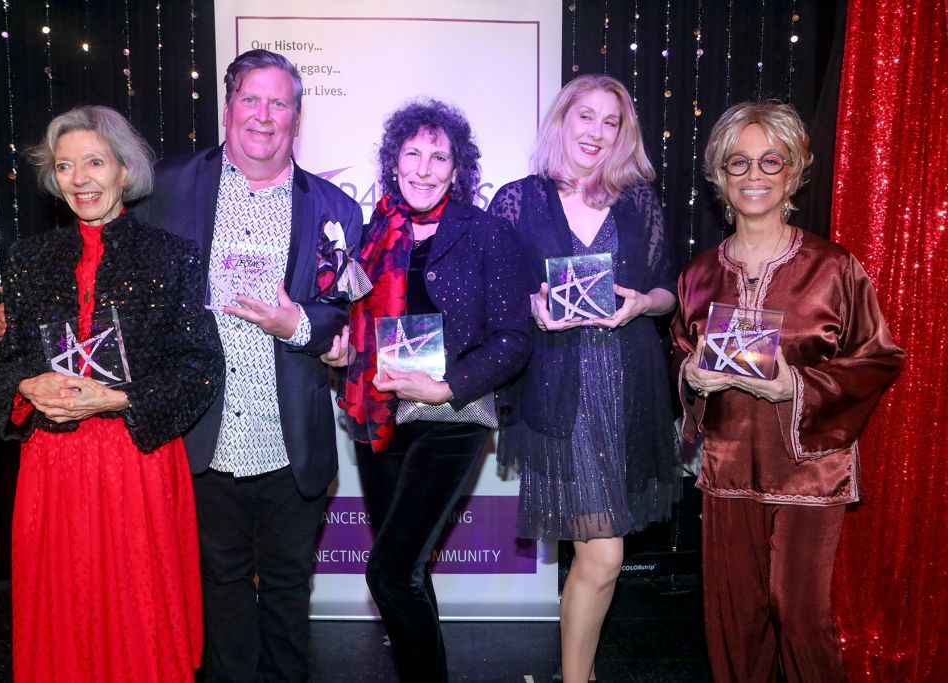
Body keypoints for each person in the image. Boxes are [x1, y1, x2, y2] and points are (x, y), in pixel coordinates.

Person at [129, 50, 363, 683]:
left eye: (279, 103)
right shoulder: (166, 186)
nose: (264, 116)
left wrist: (301, 327)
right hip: (201, 429)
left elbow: (346, 314)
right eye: (252, 100)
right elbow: (119, 273)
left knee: (288, 589)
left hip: (290, 434)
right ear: (227, 106)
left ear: (296, 116)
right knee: (220, 588)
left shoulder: (336, 209)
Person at [0, 105, 224, 682]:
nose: (80, 178)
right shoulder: (26, 261)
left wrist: (116, 400)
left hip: (135, 464)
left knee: (138, 613)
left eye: (94, 162)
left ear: (124, 170)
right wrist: (25, 383)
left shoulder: (174, 258)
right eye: (65, 167)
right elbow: (6, 360)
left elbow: (200, 368)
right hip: (53, 467)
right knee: (62, 611)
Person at [671, 101, 904, 682]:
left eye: (769, 161)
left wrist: (793, 387)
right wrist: (691, 378)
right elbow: (681, 348)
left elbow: (877, 357)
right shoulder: (698, 275)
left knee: (798, 615)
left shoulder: (834, 268)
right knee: (734, 619)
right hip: (727, 469)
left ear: (794, 171)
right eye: (738, 163)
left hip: (808, 469)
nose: (753, 175)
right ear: (720, 176)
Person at [322, 100, 531, 682]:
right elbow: (348, 317)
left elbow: (514, 338)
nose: (424, 167)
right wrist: (337, 349)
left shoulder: (489, 232)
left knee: (388, 573)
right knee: (409, 574)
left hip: (451, 416)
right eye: (412, 152)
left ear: (458, 169)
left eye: (439, 156)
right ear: (393, 163)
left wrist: (447, 387)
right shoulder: (369, 235)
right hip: (378, 416)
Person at [488, 74, 680, 683]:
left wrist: (640, 304)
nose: (596, 132)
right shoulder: (517, 201)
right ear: (561, 121)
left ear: (624, 134)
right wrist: (530, 307)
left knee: (592, 559)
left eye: (612, 122)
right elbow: (496, 298)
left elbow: (668, 292)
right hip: (557, 392)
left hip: (628, 389)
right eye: (586, 117)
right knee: (603, 552)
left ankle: (580, 672)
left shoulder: (639, 199)